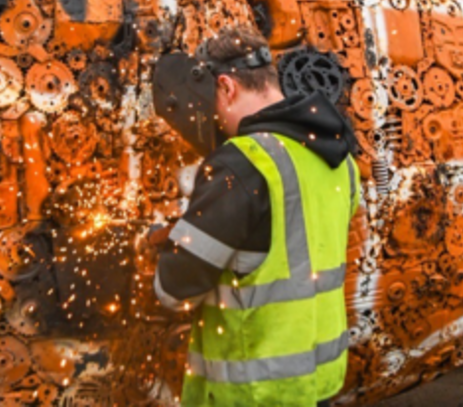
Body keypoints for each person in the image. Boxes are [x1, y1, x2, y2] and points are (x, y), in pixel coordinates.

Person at [153, 25, 360, 407]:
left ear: (227, 87)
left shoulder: (242, 164)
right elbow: (293, 243)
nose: (212, 120)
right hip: (317, 382)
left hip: (253, 392)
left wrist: (167, 243)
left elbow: (176, 288)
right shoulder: (339, 160)